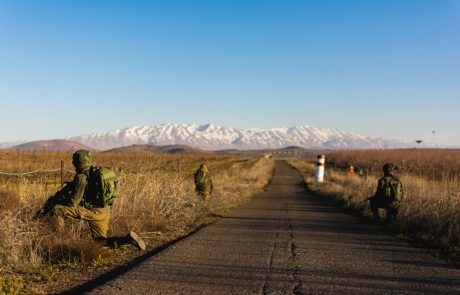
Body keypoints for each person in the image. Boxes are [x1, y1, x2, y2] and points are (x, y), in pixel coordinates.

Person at [38, 150, 145, 250]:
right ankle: (127, 240)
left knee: (57, 210)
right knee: (100, 242)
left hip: (92, 211)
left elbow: (73, 202)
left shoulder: (81, 177)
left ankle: (59, 241)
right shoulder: (95, 172)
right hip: (104, 211)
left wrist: (62, 201)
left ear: (76, 163)